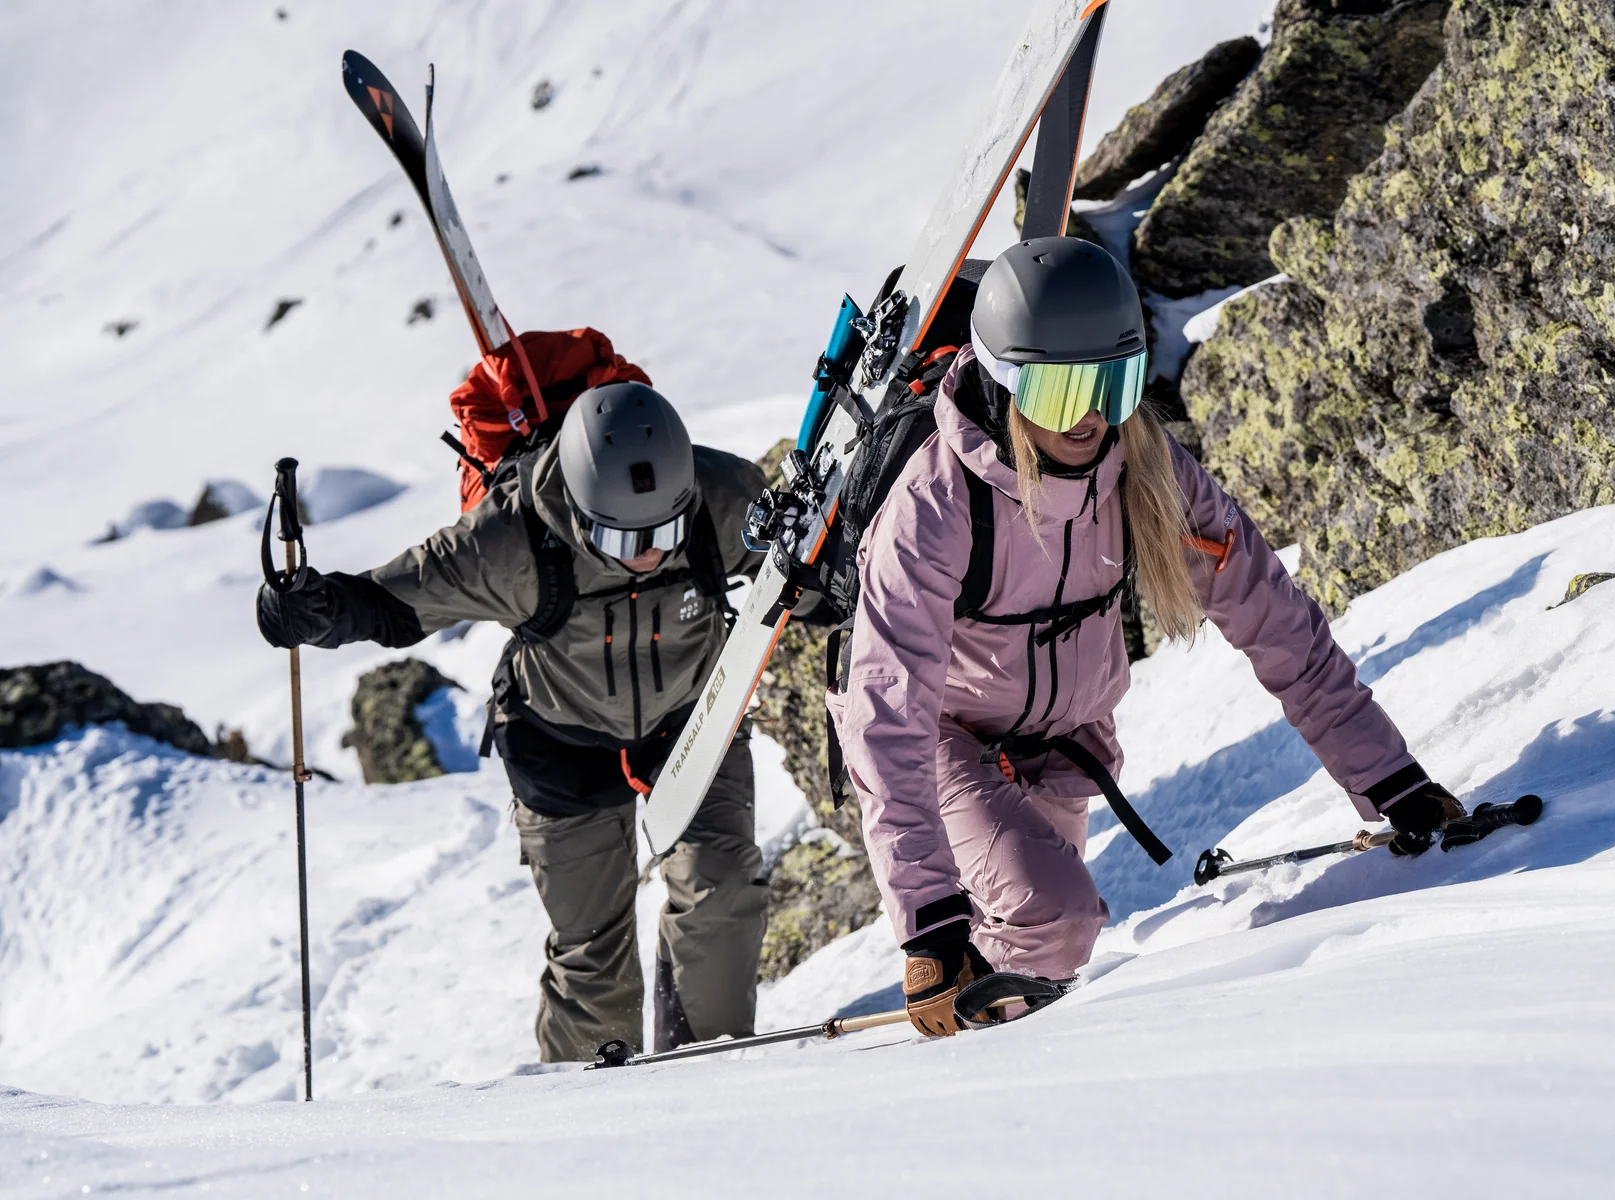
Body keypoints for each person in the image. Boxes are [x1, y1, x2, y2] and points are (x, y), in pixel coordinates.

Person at [826, 238, 1463, 1037]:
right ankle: (970, 1063)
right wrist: (928, 929)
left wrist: (1392, 781)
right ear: (1004, 381)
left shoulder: (1145, 467)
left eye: (1114, 382)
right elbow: (888, 716)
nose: (1092, 415)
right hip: (942, 739)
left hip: (1065, 743)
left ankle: (994, 1052)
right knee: (1054, 919)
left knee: (1040, 950)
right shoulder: (934, 506)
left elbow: (1276, 621)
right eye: (1063, 390)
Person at [256, 382, 770, 1060]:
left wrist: (830, 585)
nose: (648, 552)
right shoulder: (511, 537)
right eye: (620, 536)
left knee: (723, 893)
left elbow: (803, 565)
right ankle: (589, 1096)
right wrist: (318, 610)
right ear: (579, 508)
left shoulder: (726, 496)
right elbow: (393, 600)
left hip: (691, 723)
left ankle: (713, 1066)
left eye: (665, 531)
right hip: (561, 743)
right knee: (592, 949)